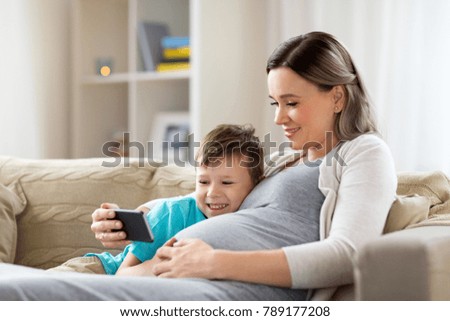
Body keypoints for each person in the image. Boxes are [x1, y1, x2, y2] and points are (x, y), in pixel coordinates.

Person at [0, 31, 397, 300]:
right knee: (17, 285)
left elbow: (347, 254)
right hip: (169, 275)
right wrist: (138, 223)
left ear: (338, 97)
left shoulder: (363, 153)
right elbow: (209, 202)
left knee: (21, 295)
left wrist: (213, 260)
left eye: (292, 103)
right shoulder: (282, 159)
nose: (279, 119)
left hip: (224, 290)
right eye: (275, 104)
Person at [51, 124, 264, 276]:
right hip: (100, 272)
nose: (212, 193)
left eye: (226, 183)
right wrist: (163, 264)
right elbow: (123, 275)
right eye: (203, 182)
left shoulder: (252, 222)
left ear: (255, 186)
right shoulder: (172, 214)